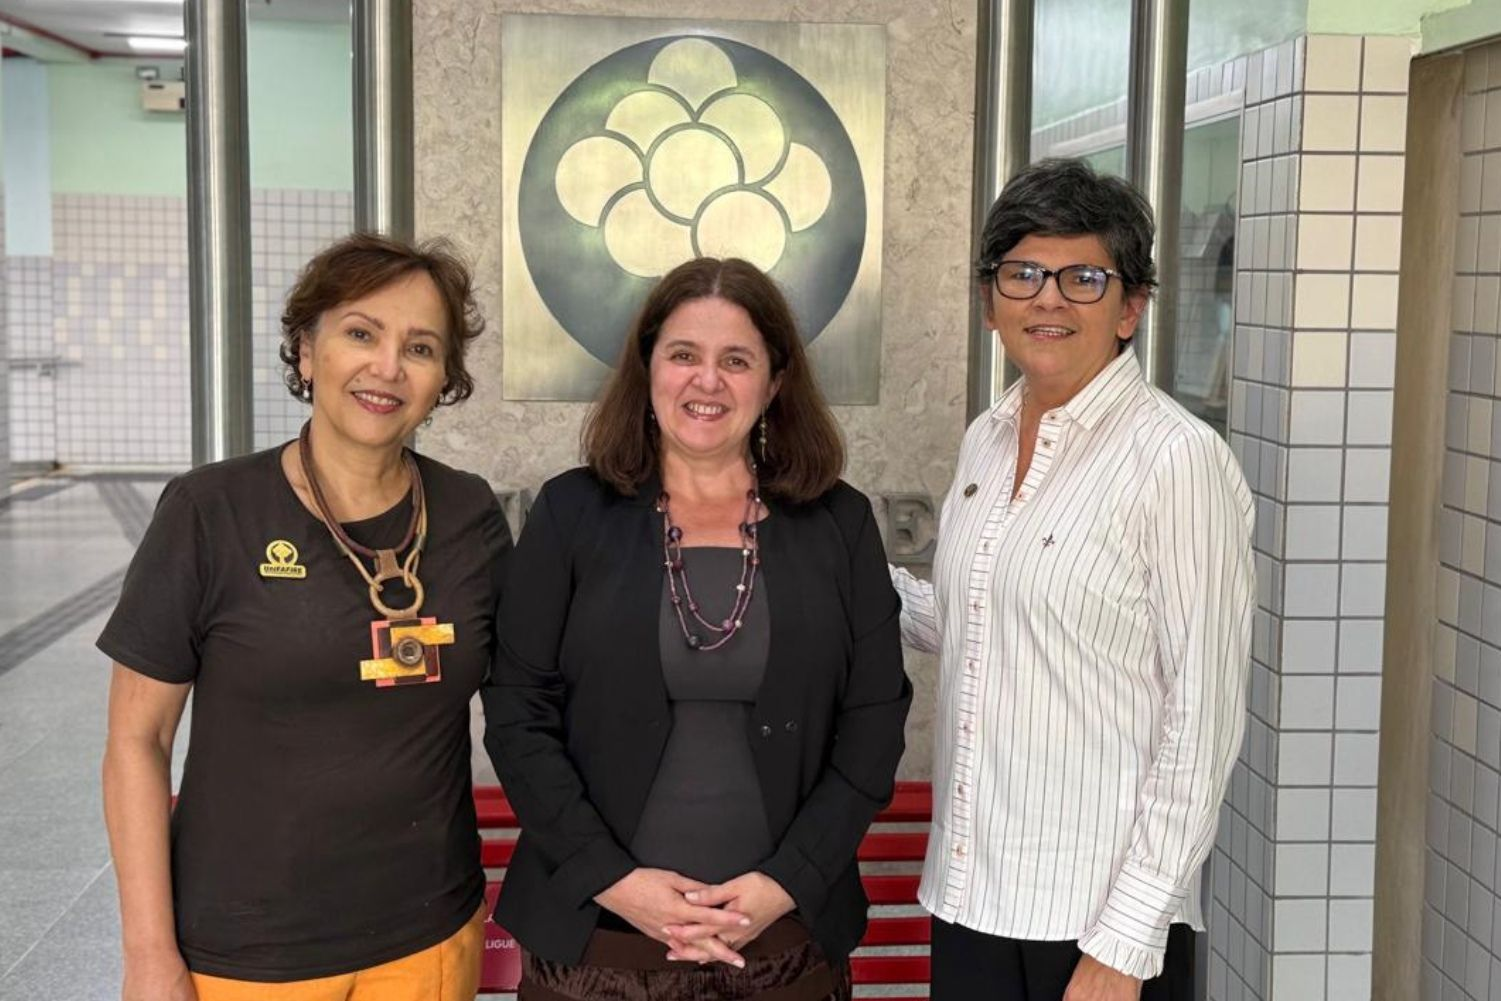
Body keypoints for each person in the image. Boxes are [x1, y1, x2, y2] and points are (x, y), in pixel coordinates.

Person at [484, 256, 911, 1001]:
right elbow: (519, 713)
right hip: (596, 946)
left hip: (784, 945)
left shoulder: (838, 523)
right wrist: (614, 880)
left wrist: (787, 881)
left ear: (773, 383)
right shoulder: (570, 513)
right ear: (647, 368)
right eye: (683, 354)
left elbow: (873, 723)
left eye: (736, 360)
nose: (706, 381)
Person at [100, 233, 511, 1001]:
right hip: (248, 949)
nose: (387, 366)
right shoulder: (210, 512)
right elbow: (136, 740)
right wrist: (149, 954)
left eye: (420, 347)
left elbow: (534, 698)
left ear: (444, 379)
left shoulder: (468, 514)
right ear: (305, 351)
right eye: (361, 333)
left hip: (428, 934)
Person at [893, 158, 1255, 1001]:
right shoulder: (986, 438)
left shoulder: (1176, 460)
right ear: (990, 300)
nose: (1047, 299)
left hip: (1093, 926)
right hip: (971, 895)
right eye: (1022, 273)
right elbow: (982, 618)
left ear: (1130, 307)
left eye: (1082, 278)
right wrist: (830, 567)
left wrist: (1123, 943)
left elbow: (1201, 716)